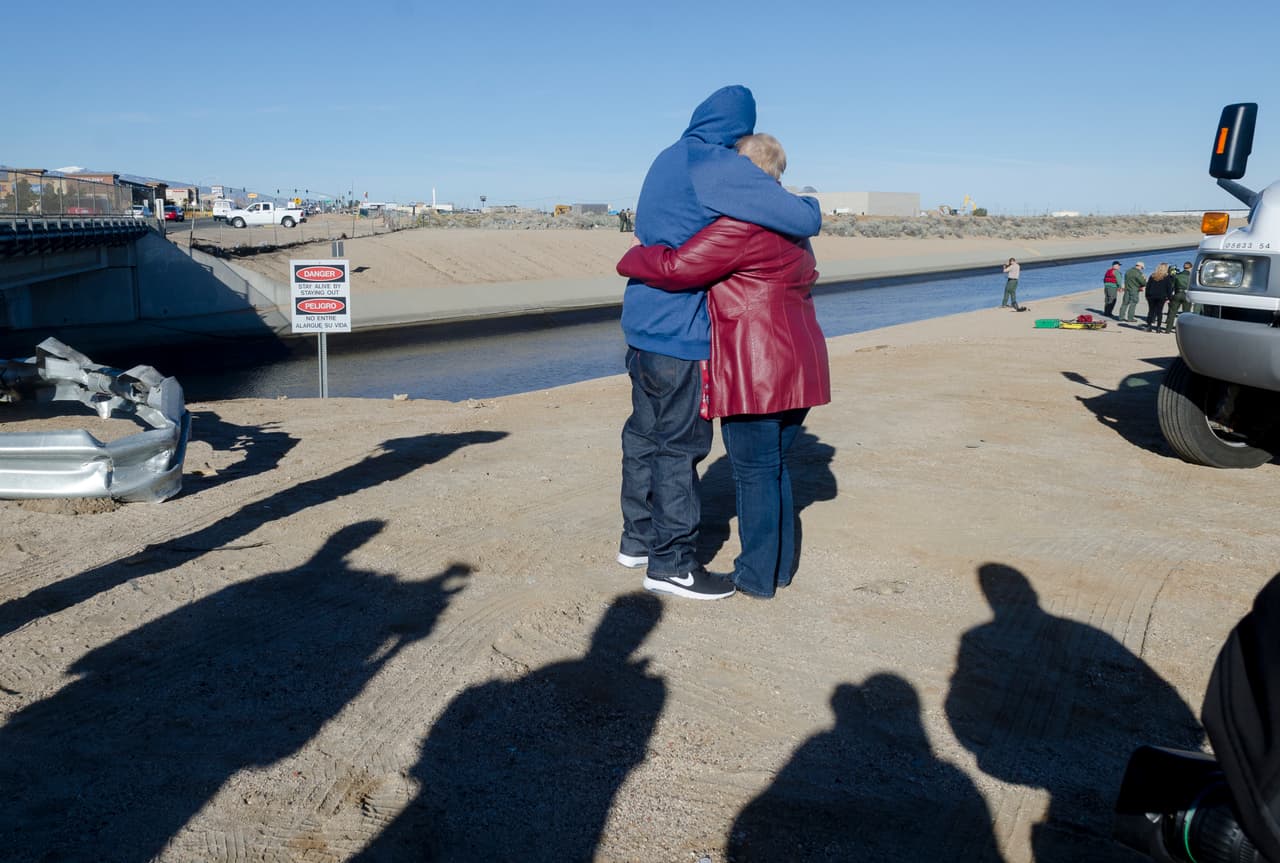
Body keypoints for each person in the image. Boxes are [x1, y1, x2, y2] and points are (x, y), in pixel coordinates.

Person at [617, 85, 822, 601]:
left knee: (644, 437)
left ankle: (638, 540)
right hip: (685, 334)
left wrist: (634, 258)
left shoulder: (666, 157)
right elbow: (802, 219)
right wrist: (811, 202)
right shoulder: (718, 166)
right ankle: (674, 564)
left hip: (642, 323)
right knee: (681, 447)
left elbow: (669, 255)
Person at [1143, 263, 1173, 332]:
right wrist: (1169, 298)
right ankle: (1158, 328)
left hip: (1152, 296)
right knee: (1159, 312)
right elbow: (1169, 289)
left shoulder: (1153, 276)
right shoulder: (1167, 277)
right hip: (1161, 296)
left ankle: (1149, 326)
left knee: (1151, 311)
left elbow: (1148, 287)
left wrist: (1147, 295)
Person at [1165, 260, 1193, 331]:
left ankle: (1168, 329)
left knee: (1172, 312)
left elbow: (1172, 286)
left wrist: (1169, 296)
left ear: (1184, 267)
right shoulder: (1191, 277)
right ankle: (1183, 329)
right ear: (1190, 268)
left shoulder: (1177, 275)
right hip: (1187, 295)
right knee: (1186, 313)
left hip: (1177, 294)